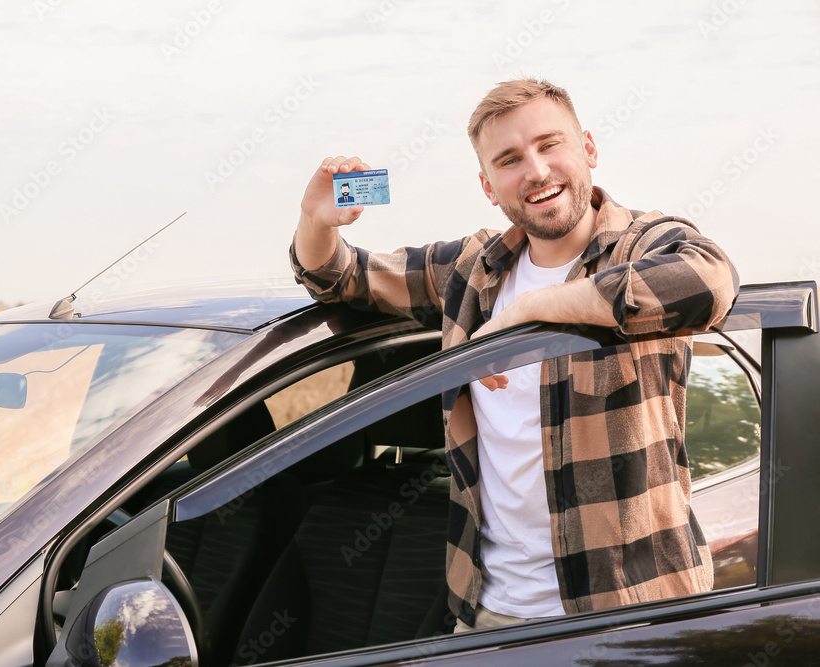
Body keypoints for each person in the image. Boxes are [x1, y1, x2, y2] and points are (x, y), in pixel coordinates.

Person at [290, 78, 740, 632]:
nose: (536, 171)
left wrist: (531, 311)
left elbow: (710, 281)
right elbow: (342, 278)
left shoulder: (644, 244)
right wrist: (315, 221)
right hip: (488, 614)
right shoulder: (472, 268)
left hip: (632, 616)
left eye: (550, 145)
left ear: (588, 149)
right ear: (488, 184)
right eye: (509, 159)